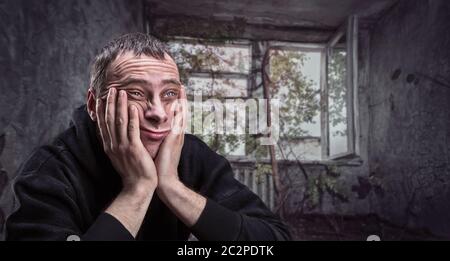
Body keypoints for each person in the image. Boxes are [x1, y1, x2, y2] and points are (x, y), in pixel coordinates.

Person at [5, 33, 291, 241]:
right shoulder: (50, 171)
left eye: (169, 94)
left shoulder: (192, 156)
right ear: (94, 105)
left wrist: (170, 186)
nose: (158, 113)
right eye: (136, 94)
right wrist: (138, 188)